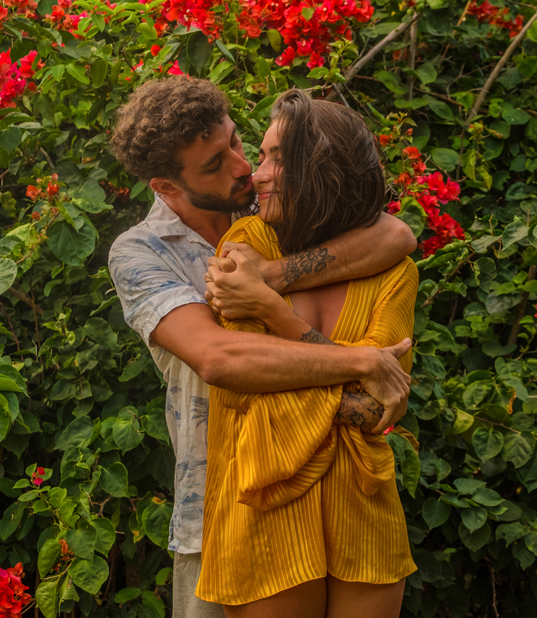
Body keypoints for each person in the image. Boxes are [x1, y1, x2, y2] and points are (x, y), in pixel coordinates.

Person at [107, 76, 417, 618]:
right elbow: (222, 358)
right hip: (219, 497)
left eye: (236, 143)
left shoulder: (273, 209)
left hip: (346, 496)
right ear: (166, 185)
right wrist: (362, 361)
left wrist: (268, 280)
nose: (242, 167)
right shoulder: (140, 252)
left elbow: (396, 236)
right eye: (213, 164)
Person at [196, 89, 418, 618]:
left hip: (363, 503)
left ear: (325, 173)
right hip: (263, 499)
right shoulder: (243, 250)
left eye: (278, 158)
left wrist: (275, 313)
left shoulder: (393, 269)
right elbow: (247, 378)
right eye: (263, 153)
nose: (258, 172)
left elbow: (372, 412)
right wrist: (359, 366)